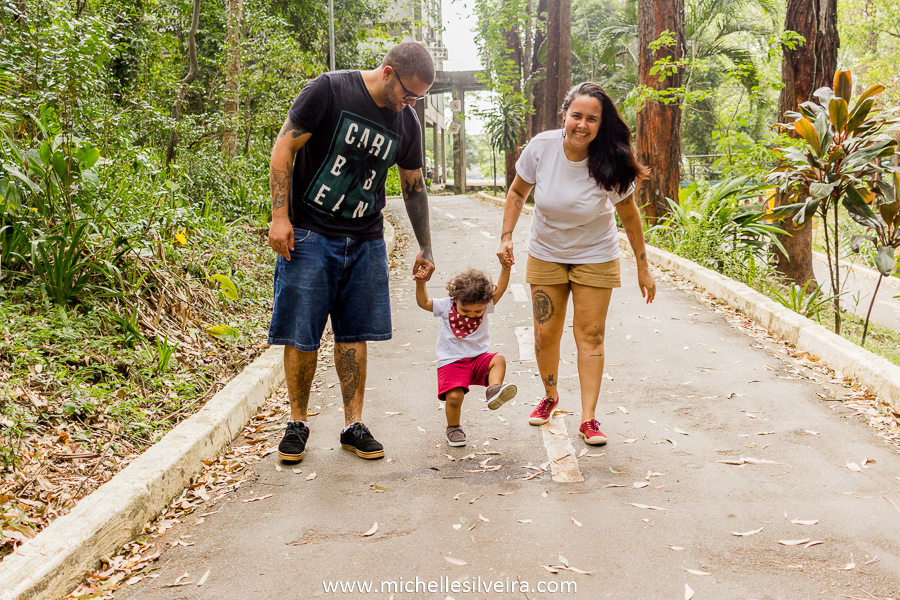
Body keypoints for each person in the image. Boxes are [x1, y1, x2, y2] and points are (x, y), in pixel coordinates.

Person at [267, 42, 437, 462]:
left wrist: (425, 245)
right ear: (388, 71)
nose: (409, 104)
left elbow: (414, 187)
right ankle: (297, 423)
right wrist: (279, 217)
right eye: (408, 94)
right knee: (302, 333)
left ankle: (352, 424)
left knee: (355, 333)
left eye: (418, 99)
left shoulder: (407, 122)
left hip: (365, 238)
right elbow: (284, 147)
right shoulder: (329, 90)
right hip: (310, 233)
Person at [496, 82, 656, 446]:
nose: (582, 125)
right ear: (565, 116)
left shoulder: (610, 161)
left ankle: (589, 419)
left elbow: (630, 219)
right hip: (546, 251)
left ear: (601, 124)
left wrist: (643, 267)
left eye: (592, 119)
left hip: (595, 254)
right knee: (545, 333)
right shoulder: (541, 149)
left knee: (590, 334)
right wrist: (506, 236)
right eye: (577, 116)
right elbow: (518, 193)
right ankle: (550, 397)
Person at [415, 266, 517, 447]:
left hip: (478, 359)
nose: (472, 315)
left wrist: (505, 268)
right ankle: (453, 428)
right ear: (456, 299)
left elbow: (500, 288)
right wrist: (421, 283)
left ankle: (494, 390)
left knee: (498, 359)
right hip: (451, 362)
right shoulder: (445, 305)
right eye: (465, 311)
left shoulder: (486, 305)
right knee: (454, 397)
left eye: (477, 312)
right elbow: (424, 302)